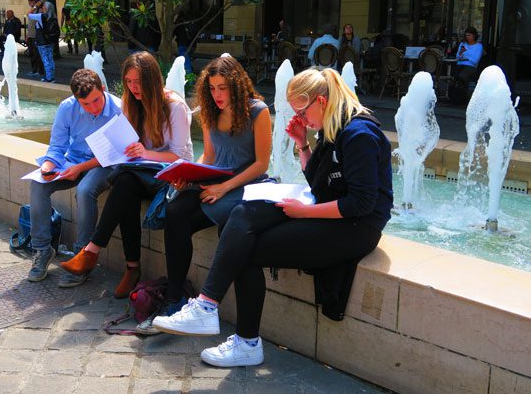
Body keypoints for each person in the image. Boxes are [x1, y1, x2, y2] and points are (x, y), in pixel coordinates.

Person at [153, 67, 393, 368]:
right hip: (331, 215)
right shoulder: (333, 127)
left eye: (303, 113)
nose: (302, 120)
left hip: (357, 228)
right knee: (242, 215)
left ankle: (241, 337)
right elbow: (321, 183)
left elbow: (361, 203)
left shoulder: (359, 134)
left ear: (321, 100)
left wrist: (305, 212)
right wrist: (303, 144)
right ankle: (210, 310)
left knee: (247, 248)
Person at [137, 56, 272, 334]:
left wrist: (224, 187)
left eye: (223, 88)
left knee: (203, 213)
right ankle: (175, 298)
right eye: (212, 88)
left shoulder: (258, 111)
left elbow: (262, 164)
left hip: (246, 186)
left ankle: (200, 306)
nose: (217, 95)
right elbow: (209, 156)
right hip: (215, 182)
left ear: (236, 85)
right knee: (176, 211)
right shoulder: (210, 111)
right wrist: (188, 175)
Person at [59, 51, 193, 297]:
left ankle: (92, 251)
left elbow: (180, 157)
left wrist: (144, 152)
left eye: (139, 82)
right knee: (124, 184)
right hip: (141, 173)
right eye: (129, 82)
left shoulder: (175, 107)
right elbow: (120, 147)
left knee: (125, 184)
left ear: (153, 80)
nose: (133, 88)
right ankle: (130, 267)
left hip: (171, 176)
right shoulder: (131, 103)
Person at [27, 69, 122, 284]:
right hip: (75, 160)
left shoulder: (119, 109)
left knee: (85, 190)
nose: (94, 108)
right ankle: (42, 249)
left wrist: (80, 168)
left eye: (97, 101)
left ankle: (83, 257)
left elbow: (116, 153)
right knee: (38, 184)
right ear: (76, 99)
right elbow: (57, 147)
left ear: (103, 89)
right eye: (86, 104)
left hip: (105, 163)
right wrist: (48, 167)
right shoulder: (67, 108)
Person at [32, 0, 57, 83]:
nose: (41, 7)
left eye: (43, 6)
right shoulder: (53, 17)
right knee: (50, 59)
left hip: (42, 41)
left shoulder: (41, 16)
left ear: (45, 8)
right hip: (50, 40)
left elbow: (27, 14)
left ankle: (48, 78)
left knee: (45, 59)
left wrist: (35, 6)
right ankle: (52, 77)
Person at [25, 0, 45, 78]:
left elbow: (28, 14)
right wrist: (27, 35)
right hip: (31, 36)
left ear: (36, 1)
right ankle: (34, 70)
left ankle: (40, 71)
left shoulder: (39, 10)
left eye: (31, 0)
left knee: (37, 55)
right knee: (32, 54)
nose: (29, 2)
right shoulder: (33, 10)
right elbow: (30, 24)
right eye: (28, 0)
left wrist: (35, 7)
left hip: (37, 36)